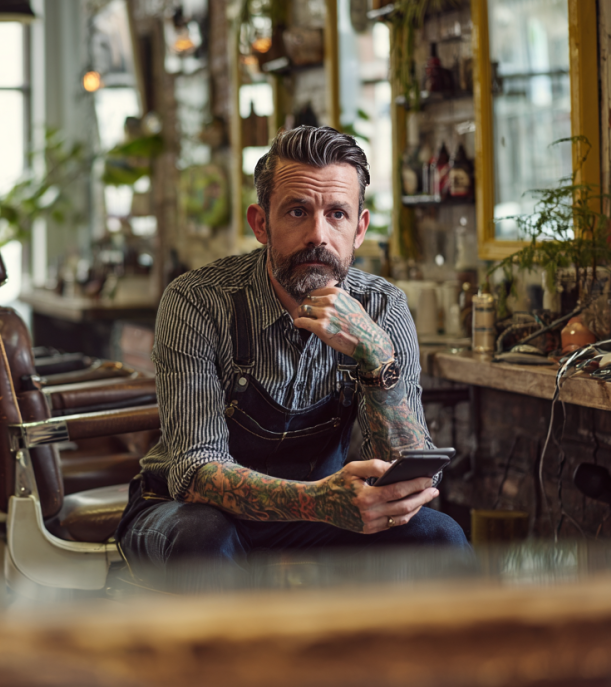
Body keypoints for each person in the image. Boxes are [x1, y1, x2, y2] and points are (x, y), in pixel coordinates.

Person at [116, 125, 468, 591]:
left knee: (440, 538)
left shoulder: (384, 308)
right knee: (203, 536)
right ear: (260, 223)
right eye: (298, 212)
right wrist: (320, 501)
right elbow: (195, 470)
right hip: (181, 511)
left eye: (337, 214)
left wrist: (377, 357)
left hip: (323, 509)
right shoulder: (197, 301)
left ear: (359, 229)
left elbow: (405, 469)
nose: (317, 236)